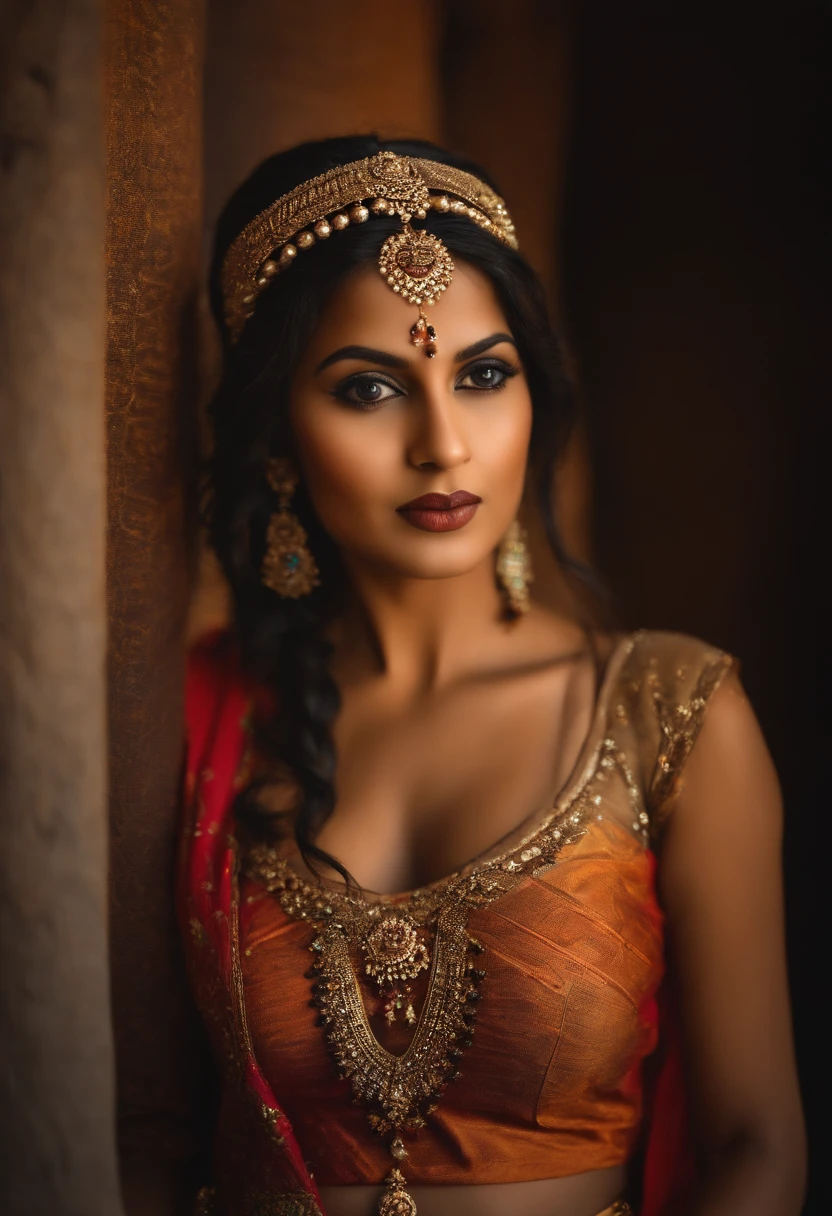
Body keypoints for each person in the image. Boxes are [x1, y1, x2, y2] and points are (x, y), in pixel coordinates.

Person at [178, 136, 805, 1216]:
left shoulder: (672, 715)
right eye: (369, 388)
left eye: (481, 374)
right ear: (278, 430)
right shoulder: (202, 724)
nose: (444, 444)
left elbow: (755, 1146)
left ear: (532, 396)